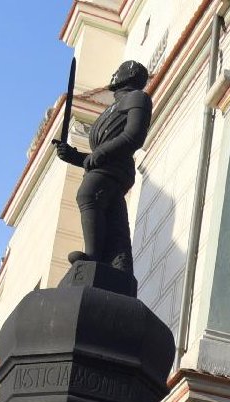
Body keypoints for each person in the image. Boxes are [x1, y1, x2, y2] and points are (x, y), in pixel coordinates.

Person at [52, 61, 153, 278]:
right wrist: (74, 156)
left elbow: (133, 136)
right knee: (115, 221)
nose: (114, 74)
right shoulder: (112, 108)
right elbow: (97, 156)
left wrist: (102, 153)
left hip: (116, 167)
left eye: (118, 71)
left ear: (129, 74)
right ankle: (118, 267)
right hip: (106, 165)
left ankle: (93, 256)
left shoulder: (137, 98)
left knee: (88, 194)